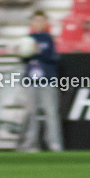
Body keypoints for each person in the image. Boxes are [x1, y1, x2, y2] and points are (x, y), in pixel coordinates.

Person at [17, 11, 63, 152]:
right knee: (31, 113)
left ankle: (54, 143)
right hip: (31, 80)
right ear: (31, 23)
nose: (38, 23)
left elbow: (51, 57)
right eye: (35, 20)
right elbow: (24, 60)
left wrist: (36, 52)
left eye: (41, 20)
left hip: (47, 80)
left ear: (45, 23)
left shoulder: (48, 39)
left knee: (51, 112)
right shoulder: (27, 39)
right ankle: (31, 142)